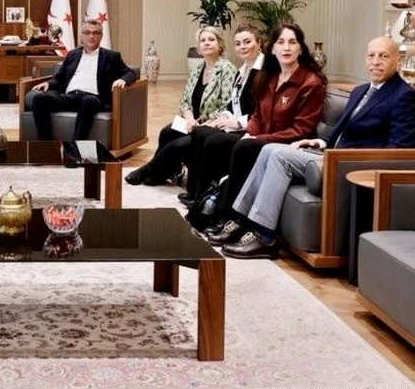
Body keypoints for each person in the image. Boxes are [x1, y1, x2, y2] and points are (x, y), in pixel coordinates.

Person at [219, 36, 415, 259]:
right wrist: (319, 142)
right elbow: (341, 130)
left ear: (398, 61)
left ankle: (265, 237)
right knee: (268, 149)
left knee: (280, 156)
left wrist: (347, 157)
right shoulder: (361, 90)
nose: (376, 61)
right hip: (328, 154)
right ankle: (242, 220)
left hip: (349, 165)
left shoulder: (404, 96)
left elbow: (399, 150)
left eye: (384, 56)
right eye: (371, 56)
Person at [203, 22, 327, 244]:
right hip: (264, 139)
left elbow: (302, 129)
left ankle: (233, 217)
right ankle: (220, 213)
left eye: (292, 42)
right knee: (224, 142)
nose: (286, 48)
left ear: (300, 48)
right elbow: (257, 114)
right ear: (272, 48)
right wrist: (250, 132)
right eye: (281, 42)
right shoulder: (270, 76)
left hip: (291, 143)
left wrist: (257, 138)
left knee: (246, 147)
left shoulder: (310, 82)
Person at [125, 26, 238, 186]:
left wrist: (201, 124)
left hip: (211, 125)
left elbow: (227, 105)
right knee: (167, 132)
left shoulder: (227, 69)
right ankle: (167, 171)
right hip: (192, 122)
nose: (206, 43)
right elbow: (185, 100)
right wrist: (190, 119)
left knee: (177, 145)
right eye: (203, 40)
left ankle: (148, 171)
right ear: (199, 47)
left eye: (211, 40)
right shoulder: (197, 69)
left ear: (220, 45)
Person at [177, 24, 265, 205]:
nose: (243, 47)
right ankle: (196, 192)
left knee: (212, 140)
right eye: (238, 43)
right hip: (234, 122)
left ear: (259, 43)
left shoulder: (263, 72)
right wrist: (220, 119)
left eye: (247, 42)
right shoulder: (243, 70)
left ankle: (204, 195)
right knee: (200, 132)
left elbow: (261, 110)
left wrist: (237, 123)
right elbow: (232, 104)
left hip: (250, 128)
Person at [31, 19, 137, 141]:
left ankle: (75, 145)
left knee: (88, 100)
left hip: (93, 99)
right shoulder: (73, 54)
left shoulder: (111, 56)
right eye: (87, 33)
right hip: (69, 97)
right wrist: (48, 83)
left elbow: (130, 72)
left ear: (101, 36)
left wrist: (123, 80)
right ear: (82, 36)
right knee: (39, 99)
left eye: (95, 33)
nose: (91, 36)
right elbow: (60, 77)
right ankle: (47, 144)